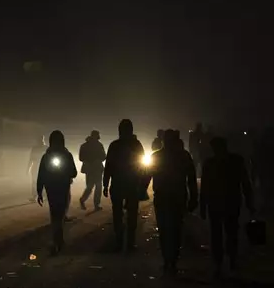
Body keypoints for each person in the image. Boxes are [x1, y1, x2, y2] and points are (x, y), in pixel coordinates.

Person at [200, 137, 255, 278]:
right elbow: (245, 183)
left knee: (217, 234)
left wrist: (202, 205)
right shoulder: (236, 161)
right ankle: (231, 260)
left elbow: (205, 187)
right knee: (231, 232)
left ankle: (220, 263)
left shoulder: (210, 163)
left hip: (216, 203)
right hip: (231, 202)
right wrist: (249, 202)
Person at [147, 129, 198, 275]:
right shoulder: (184, 156)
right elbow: (191, 179)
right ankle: (173, 259)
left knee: (164, 229)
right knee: (176, 228)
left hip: (163, 196)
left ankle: (167, 259)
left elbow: (147, 175)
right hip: (178, 196)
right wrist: (194, 197)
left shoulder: (157, 156)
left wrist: (141, 190)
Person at [103, 119, 145, 253]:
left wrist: (105, 184)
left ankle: (119, 241)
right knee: (132, 214)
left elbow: (108, 166)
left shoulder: (114, 145)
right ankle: (130, 243)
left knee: (117, 214)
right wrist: (142, 185)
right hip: (132, 184)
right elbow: (142, 166)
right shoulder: (136, 145)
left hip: (118, 183)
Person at [36, 130, 78, 255]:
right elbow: (74, 173)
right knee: (59, 214)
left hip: (51, 189)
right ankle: (58, 241)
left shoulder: (46, 156)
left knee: (55, 214)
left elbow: (41, 176)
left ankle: (57, 241)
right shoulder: (67, 155)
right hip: (63, 188)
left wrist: (39, 191)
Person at [253, 127, 274, 212]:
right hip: (269, 169)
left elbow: (256, 158)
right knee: (269, 188)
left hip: (264, 169)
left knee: (264, 188)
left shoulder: (261, 145)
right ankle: (267, 205)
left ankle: (265, 205)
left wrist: (254, 171)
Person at [79, 130, 107, 211]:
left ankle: (84, 200)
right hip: (96, 168)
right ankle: (96, 205)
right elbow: (104, 156)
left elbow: (81, 158)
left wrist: (89, 161)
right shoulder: (99, 145)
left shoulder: (84, 146)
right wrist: (96, 160)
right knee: (96, 187)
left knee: (90, 187)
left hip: (90, 169)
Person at [27, 135, 47, 201]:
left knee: (42, 182)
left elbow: (31, 159)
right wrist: (28, 168)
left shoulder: (46, 148)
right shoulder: (36, 148)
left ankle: (41, 195)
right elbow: (31, 159)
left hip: (43, 167)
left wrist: (28, 168)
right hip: (39, 166)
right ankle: (36, 196)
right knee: (35, 182)